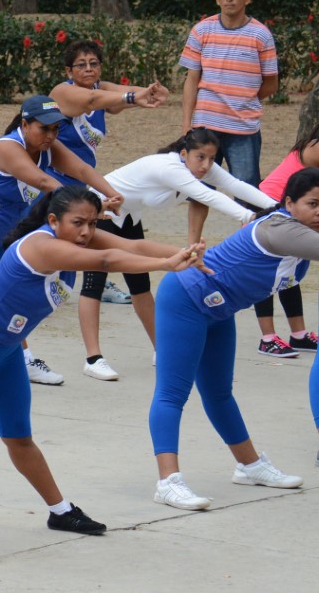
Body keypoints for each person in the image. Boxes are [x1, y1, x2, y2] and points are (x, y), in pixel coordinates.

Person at [0, 187, 207, 560]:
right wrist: (167, 266)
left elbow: (132, 247)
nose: (85, 231)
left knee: (20, 439)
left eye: (91, 223)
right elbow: (110, 260)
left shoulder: (77, 238)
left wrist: (186, 254)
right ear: (53, 221)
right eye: (77, 223)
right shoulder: (41, 246)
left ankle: (60, 511)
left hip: (7, 352)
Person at [148, 169, 318, 511]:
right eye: (313, 203)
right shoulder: (280, 229)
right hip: (186, 297)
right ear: (288, 203)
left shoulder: (299, 236)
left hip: (219, 309)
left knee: (219, 392)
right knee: (171, 393)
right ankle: (168, 482)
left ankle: (250, 465)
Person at [0, 95, 124, 386]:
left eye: (56, 129)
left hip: (1, 237)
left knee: (10, 300)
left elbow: (82, 170)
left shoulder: (47, 146)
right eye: (44, 129)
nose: (51, 135)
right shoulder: (6, 149)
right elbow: (45, 183)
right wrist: (91, 206)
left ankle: (23, 360)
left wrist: (112, 193)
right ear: (25, 124)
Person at [78, 128, 275, 381]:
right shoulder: (169, 168)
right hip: (100, 211)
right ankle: (93, 359)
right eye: (200, 157)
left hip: (129, 215)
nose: (206, 165)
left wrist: (275, 209)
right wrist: (250, 217)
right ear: (184, 153)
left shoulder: (200, 167)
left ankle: (163, 350)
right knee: (94, 284)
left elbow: (236, 185)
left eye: (211, 158)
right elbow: (208, 195)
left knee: (140, 284)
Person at [50, 39, 169, 305]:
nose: (88, 69)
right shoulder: (63, 92)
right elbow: (94, 99)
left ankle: (96, 280)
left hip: (79, 179)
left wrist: (153, 92)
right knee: (49, 232)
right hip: (50, 175)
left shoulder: (101, 89)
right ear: (69, 71)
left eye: (93, 64)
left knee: (80, 231)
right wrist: (133, 97)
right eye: (81, 65)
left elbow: (117, 97)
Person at [180, 0, 278, 190]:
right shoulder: (201, 30)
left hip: (243, 128)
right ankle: (195, 228)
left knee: (246, 189)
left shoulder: (261, 35)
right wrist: (187, 125)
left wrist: (245, 97)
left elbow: (271, 83)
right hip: (205, 124)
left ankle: (246, 226)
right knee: (199, 190)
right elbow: (191, 80)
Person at [251, 121, 319, 358]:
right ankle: (267, 339)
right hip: (268, 204)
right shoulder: (315, 147)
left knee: (289, 273)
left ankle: (298, 335)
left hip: (294, 206)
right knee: (268, 272)